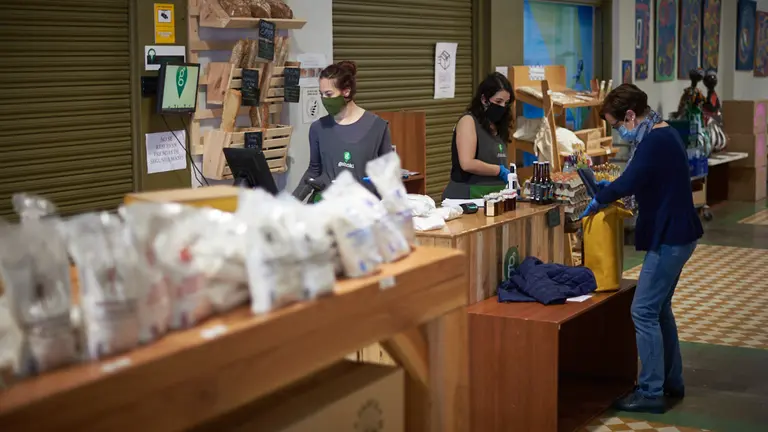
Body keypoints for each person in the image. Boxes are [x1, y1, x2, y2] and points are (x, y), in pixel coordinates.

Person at [582, 84, 704, 413]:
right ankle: (672, 381)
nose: (619, 133)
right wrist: (612, 188)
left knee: (643, 311)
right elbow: (638, 179)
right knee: (659, 309)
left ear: (630, 116)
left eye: (617, 125)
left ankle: (651, 393)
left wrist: (602, 196)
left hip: (671, 238)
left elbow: (630, 180)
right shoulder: (663, 133)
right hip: (680, 234)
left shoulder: (654, 142)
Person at [294, 60, 392, 200]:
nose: (324, 99)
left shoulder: (377, 127)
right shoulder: (318, 128)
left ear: (346, 91)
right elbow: (313, 171)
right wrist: (291, 203)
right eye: (321, 94)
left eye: (328, 94)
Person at [442, 72, 513, 200]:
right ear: (484, 99)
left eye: (506, 103)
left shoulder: (498, 126)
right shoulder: (468, 121)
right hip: (468, 196)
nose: (502, 107)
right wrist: (499, 170)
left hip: (494, 196)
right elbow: (467, 163)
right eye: (498, 101)